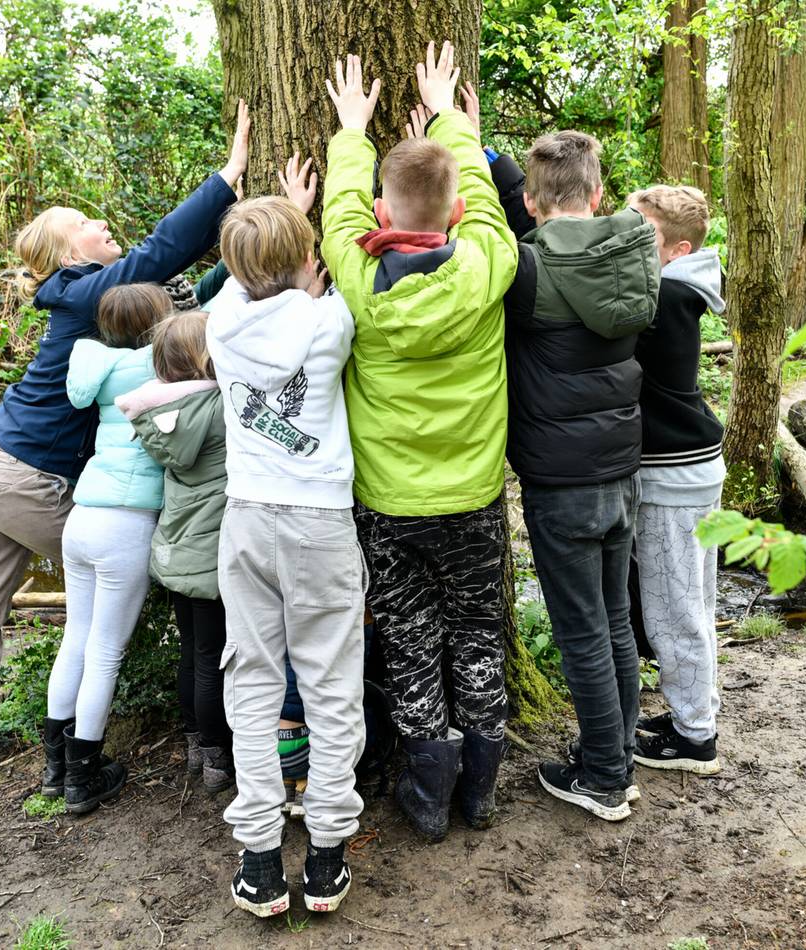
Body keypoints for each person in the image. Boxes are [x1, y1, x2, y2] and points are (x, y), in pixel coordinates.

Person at [0, 101, 250, 783]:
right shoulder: (81, 293)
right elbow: (159, 254)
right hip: (25, 474)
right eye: (86, 225)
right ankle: (92, 751)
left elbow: (177, 298)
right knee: (145, 571)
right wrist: (228, 177)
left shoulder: (87, 303)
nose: (101, 224)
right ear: (66, 253)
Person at [321, 43, 518, 842]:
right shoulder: (487, 263)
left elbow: (338, 213)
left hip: (389, 506)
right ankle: (480, 787)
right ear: (458, 217)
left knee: (407, 639)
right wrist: (450, 120)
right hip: (472, 497)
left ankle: (429, 794)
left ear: (381, 215)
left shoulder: (356, 278)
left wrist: (351, 133)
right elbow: (480, 199)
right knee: (478, 632)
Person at [487, 126, 660, 821]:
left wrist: (472, 155)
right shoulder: (635, 250)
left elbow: (509, 238)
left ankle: (605, 778)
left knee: (584, 630)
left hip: (561, 481)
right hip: (621, 470)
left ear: (529, 203)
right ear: (598, 193)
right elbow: (542, 213)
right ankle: (614, 756)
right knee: (615, 621)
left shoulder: (529, 271)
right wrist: (485, 153)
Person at [207, 192, 365, 917]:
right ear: (310, 257)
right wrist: (301, 240)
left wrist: (269, 235)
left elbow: (248, 288)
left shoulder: (219, 320)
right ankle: (327, 855)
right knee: (331, 686)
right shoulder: (330, 320)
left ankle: (260, 860)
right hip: (319, 520)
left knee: (253, 684)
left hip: (246, 518)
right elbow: (304, 292)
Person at [41, 283, 169, 814]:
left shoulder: (95, 364)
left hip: (84, 516)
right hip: (126, 521)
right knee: (106, 649)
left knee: (77, 635)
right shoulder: (159, 370)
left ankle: (54, 767)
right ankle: (83, 776)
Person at [626, 185, 725, 776]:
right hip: (691, 469)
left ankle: (695, 739)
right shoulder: (681, 286)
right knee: (693, 600)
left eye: (642, 236)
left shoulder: (664, 296)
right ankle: (696, 714)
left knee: (674, 609)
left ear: (676, 248)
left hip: (673, 478)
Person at [115, 309, 236, 795]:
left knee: (192, 652)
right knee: (212, 657)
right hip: (210, 556)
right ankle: (215, 756)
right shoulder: (220, 408)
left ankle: (192, 741)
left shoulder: (157, 413)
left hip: (176, 551)